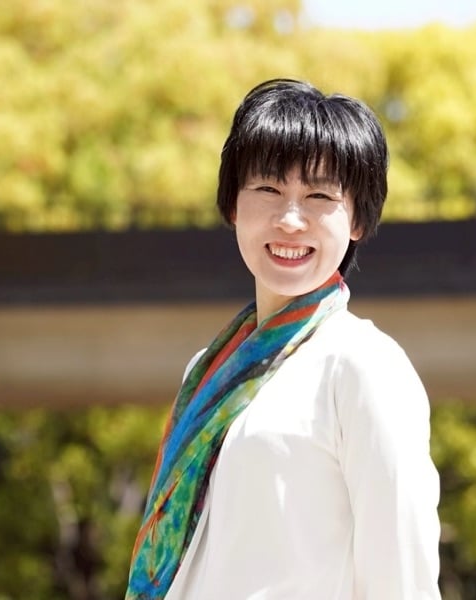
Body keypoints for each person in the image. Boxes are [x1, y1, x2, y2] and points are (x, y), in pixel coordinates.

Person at [125, 79, 441, 599]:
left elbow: (402, 576)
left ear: (358, 219)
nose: (291, 219)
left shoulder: (362, 364)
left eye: (320, 196)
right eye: (268, 190)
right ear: (233, 204)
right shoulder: (207, 369)